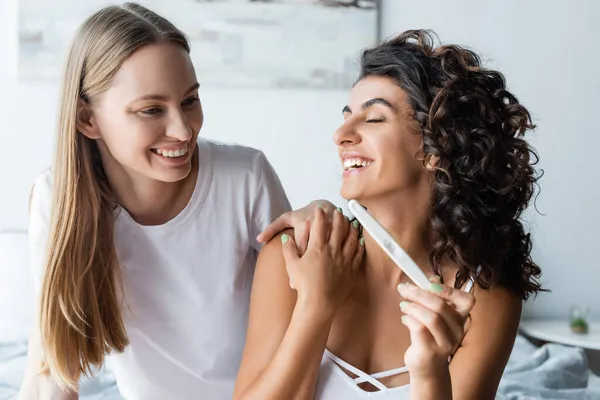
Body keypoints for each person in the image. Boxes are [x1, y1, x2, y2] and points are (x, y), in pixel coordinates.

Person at [18, 3, 350, 399]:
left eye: (190, 101)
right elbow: (50, 372)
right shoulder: (57, 201)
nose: (182, 129)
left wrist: (321, 221)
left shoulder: (245, 178)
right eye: (151, 110)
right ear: (88, 119)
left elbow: (312, 322)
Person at [234, 29, 543, 399]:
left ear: (436, 150)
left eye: (374, 119)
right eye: (347, 116)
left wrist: (430, 370)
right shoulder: (294, 255)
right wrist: (316, 304)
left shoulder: (482, 296)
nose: (341, 134)